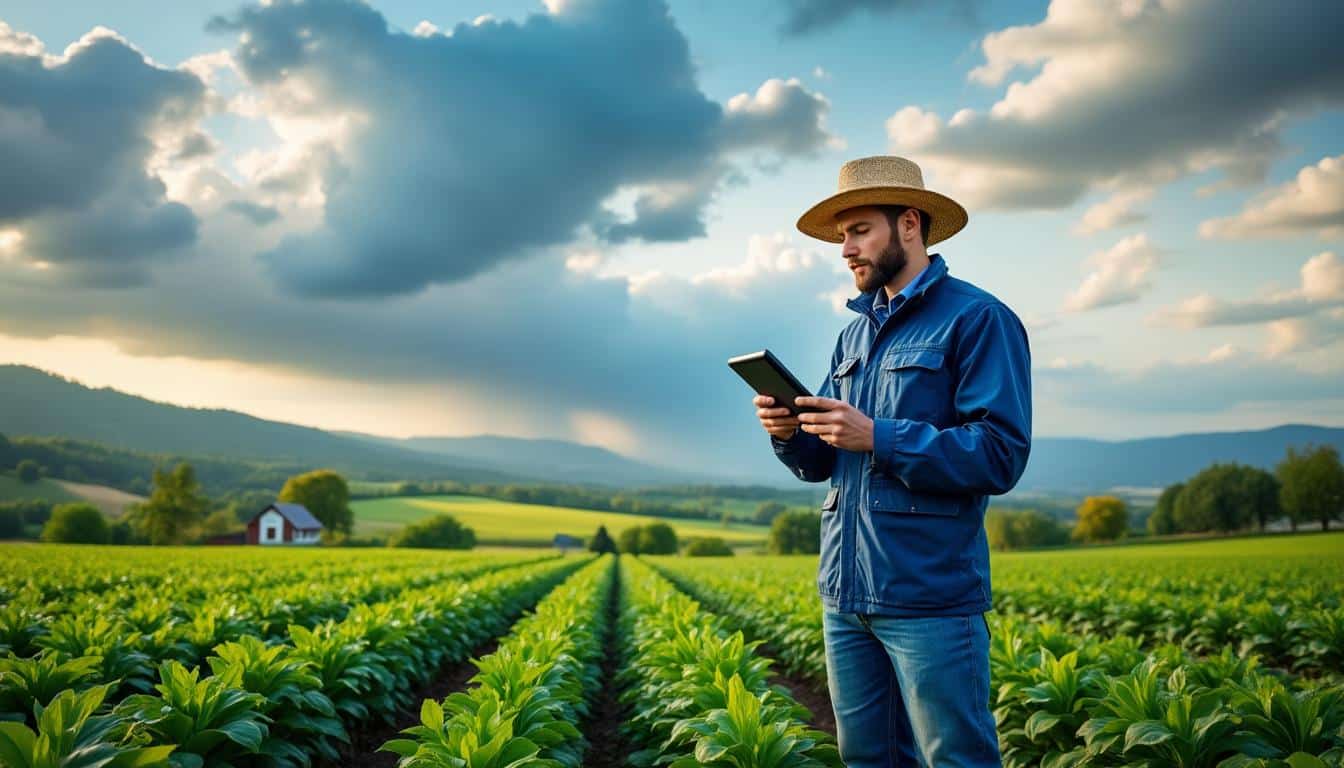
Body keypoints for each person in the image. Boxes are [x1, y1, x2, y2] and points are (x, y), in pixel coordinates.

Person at [753, 155, 1030, 766]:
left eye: (858, 231)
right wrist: (787, 433)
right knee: (866, 760)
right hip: (845, 598)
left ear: (909, 223)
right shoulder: (852, 335)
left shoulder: (978, 318)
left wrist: (880, 435)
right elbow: (825, 461)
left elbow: (1000, 454)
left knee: (955, 758)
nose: (845, 249)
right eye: (841, 235)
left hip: (928, 598)